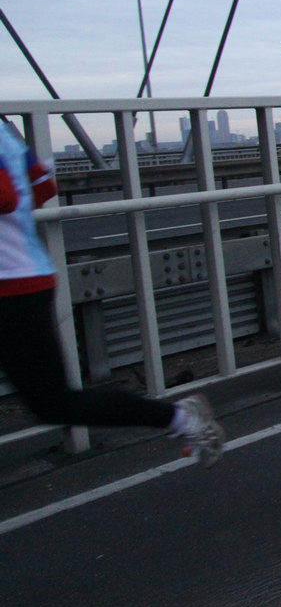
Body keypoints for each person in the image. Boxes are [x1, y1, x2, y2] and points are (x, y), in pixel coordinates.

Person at [0, 118, 224, 466]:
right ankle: (180, 418)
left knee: (53, 403)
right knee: (52, 402)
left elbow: (5, 196)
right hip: (24, 273)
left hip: (13, 285)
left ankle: (180, 418)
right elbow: (43, 187)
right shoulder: (4, 131)